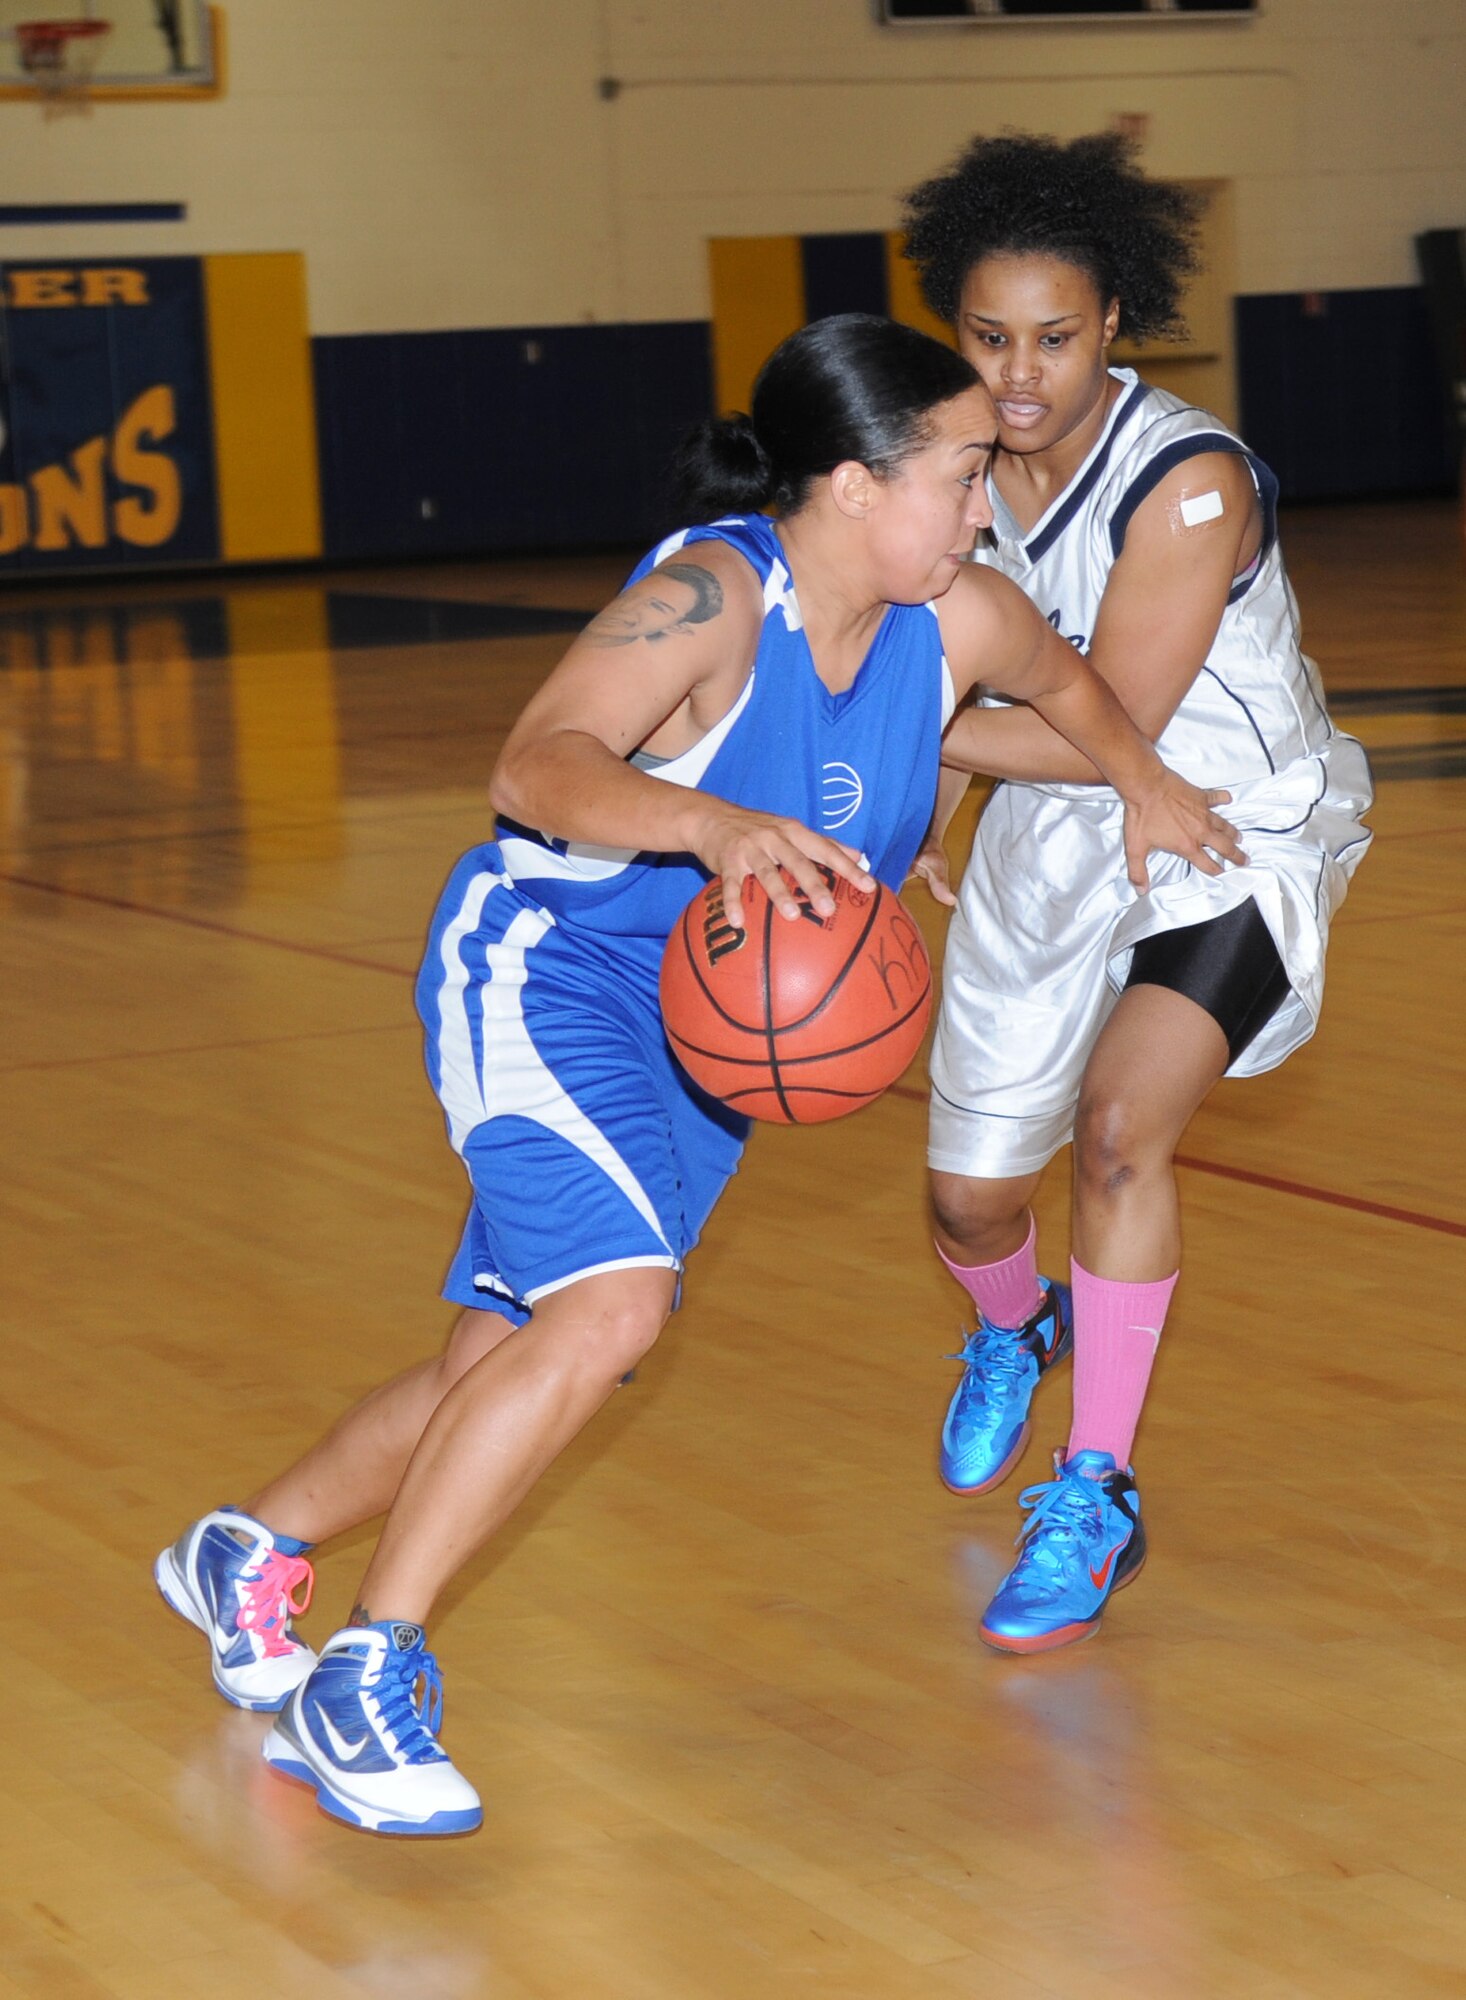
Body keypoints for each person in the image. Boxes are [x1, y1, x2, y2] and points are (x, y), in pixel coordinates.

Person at [154, 312, 1238, 1836]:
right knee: (613, 1310)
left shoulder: (963, 618)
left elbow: (1071, 690)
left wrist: (1143, 785)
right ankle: (363, 1675)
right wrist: (707, 824)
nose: (985, 501)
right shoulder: (713, 596)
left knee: (508, 1365)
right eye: (960, 470)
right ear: (853, 486)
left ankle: (250, 1550)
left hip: (701, 1046)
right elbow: (534, 765)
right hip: (545, 974)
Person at [900, 134, 1373, 1654]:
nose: (1019, 372)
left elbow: (1100, 714)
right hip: (1052, 834)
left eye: (1053, 336)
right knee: (968, 1198)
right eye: (987, 338)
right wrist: (948, 794)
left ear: (1113, 323)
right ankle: (1008, 1328)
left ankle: (1093, 1489)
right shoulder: (948, 475)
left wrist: (881, 741)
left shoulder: (1188, 486)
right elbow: (986, 650)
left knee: (1116, 1133)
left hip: (1225, 831)